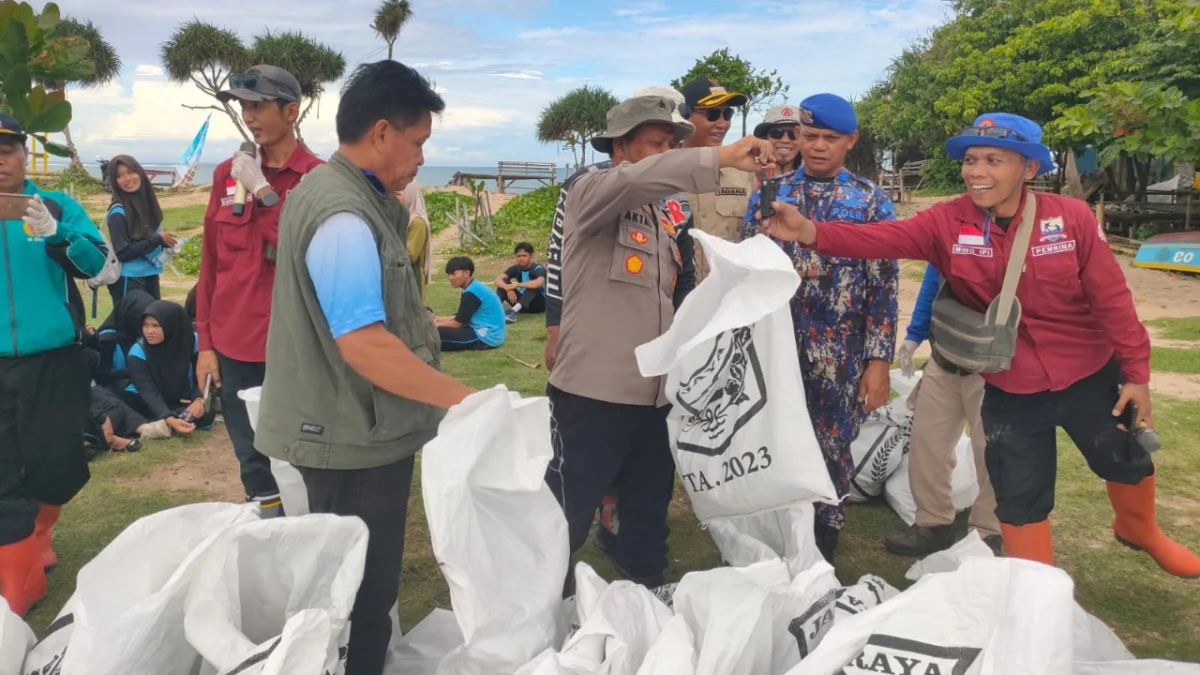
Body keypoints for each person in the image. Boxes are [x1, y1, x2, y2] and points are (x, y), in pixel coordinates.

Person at [759, 112, 1200, 578]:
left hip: (1087, 373)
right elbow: (880, 238)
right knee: (1018, 492)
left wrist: (1137, 374)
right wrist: (809, 232)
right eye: (971, 160)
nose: (976, 171)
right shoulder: (947, 220)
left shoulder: (1068, 218)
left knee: (1126, 461)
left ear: (1028, 169)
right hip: (1009, 384)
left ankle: (1141, 530)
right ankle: (1036, 588)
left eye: (993, 159)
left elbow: (1112, 299)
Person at [257, 60, 476, 675]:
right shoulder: (344, 216)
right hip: (348, 440)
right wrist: (464, 399)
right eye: (418, 142)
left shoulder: (350, 198)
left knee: (353, 590)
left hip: (351, 429)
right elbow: (365, 346)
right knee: (359, 599)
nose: (421, 158)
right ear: (381, 132)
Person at [547, 91, 776, 592]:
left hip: (656, 387)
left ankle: (647, 576)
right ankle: (541, 592)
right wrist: (718, 156)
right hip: (595, 386)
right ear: (619, 148)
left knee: (649, 494)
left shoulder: (668, 211)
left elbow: (682, 286)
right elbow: (638, 180)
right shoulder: (590, 190)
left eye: (674, 143)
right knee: (570, 498)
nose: (668, 153)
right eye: (657, 143)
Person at [741, 93, 899, 563]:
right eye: (810, 136)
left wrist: (879, 361)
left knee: (833, 440)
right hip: (777, 343)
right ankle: (780, 522)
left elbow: (884, 286)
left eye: (831, 138)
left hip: (841, 349)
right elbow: (748, 269)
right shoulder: (771, 195)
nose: (818, 146)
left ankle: (825, 532)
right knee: (776, 433)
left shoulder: (870, 200)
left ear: (851, 141)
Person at [194, 64, 323, 517]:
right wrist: (205, 343)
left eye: (259, 106)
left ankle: (310, 536)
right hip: (233, 343)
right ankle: (268, 531)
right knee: (251, 455)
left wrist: (265, 192)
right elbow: (211, 264)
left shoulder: (317, 178)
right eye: (244, 107)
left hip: (293, 345)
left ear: (291, 111)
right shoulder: (226, 176)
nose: (249, 116)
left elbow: (300, 249)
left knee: (302, 449)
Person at [0, 112, 105, 616]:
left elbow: (102, 269)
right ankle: (18, 586)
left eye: (6, 149)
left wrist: (55, 232)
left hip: (53, 360)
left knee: (56, 469)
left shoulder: (58, 205)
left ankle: (39, 537)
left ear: (23, 153)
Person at [883, 263, 1002, 557]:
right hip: (945, 357)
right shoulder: (950, 226)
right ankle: (932, 525)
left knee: (991, 451)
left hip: (993, 366)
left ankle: (987, 534)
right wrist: (914, 335)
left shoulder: (1016, 233)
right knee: (927, 446)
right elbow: (932, 285)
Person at [678, 78, 757, 280]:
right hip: (675, 300)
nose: (722, 123)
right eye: (713, 114)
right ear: (685, 116)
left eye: (727, 113)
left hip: (727, 299)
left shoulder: (743, 173)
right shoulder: (660, 170)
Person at [123, 300, 213, 436]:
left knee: (205, 412)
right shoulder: (138, 352)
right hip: (147, 401)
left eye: (156, 326)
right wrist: (168, 417)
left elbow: (201, 377)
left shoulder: (193, 342)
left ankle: (165, 423)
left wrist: (199, 400)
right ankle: (166, 422)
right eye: (145, 325)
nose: (149, 331)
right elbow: (147, 390)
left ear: (171, 325)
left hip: (182, 400)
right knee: (131, 407)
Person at [105, 155, 177, 304]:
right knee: (132, 326)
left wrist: (164, 244)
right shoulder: (118, 212)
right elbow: (123, 252)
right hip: (129, 279)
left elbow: (142, 240)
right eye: (119, 176)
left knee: (152, 324)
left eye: (130, 172)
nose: (127, 179)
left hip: (150, 274)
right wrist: (157, 239)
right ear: (115, 182)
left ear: (140, 173)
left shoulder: (145, 206)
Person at [435, 255, 506, 350]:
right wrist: (437, 318)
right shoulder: (473, 288)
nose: (450, 278)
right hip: (484, 331)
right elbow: (462, 316)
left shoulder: (472, 292)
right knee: (430, 316)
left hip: (486, 337)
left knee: (438, 332)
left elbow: (457, 323)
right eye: (449, 274)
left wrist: (433, 324)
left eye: (453, 274)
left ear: (466, 273)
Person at [495, 241, 547, 322]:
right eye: (519, 256)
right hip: (522, 304)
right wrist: (508, 288)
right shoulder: (515, 268)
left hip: (539, 305)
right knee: (503, 283)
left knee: (533, 285)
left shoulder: (537, 268)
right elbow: (497, 280)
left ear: (531, 256)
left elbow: (540, 282)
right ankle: (493, 311)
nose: (521, 258)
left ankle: (512, 312)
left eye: (524, 255)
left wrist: (517, 285)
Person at [399, 179, 432, 301]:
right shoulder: (403, 218)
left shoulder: (417, 223)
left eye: (398, 194)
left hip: (412, 278)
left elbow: (410, 255)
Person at [753, 104, 803, 173]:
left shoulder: (817, 177)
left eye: (793, 134)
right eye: (776, 133)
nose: (785, 140)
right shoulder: (746, 174)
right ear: (765, 137)